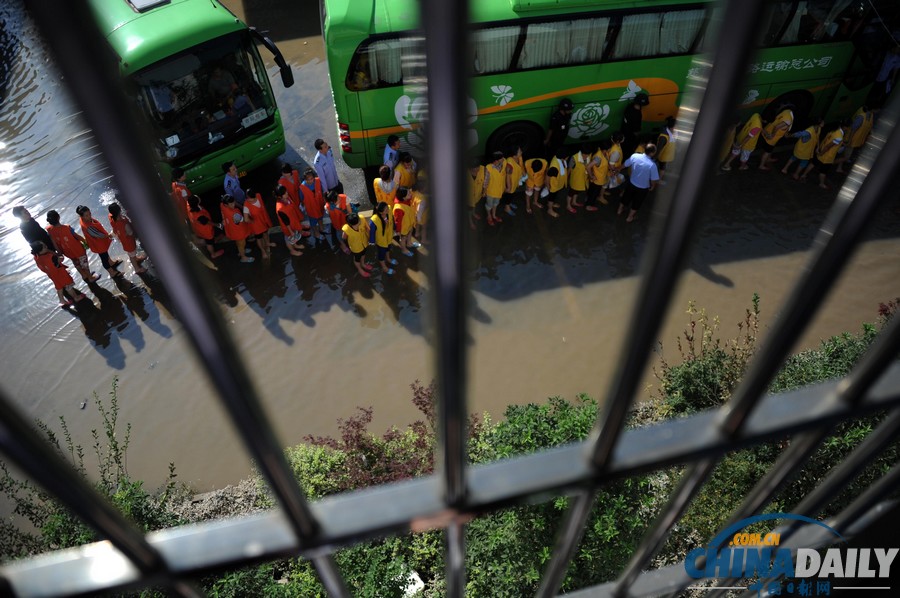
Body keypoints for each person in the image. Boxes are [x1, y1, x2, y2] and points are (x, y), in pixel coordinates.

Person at [45, 210, 99, 281]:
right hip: (78, 250)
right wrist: (85, 241)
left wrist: (59, 252)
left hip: (67, 252)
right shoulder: (67, 228)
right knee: (84, 263)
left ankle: (83, 275)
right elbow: (76, 236)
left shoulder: (49, 230)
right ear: (58, 217)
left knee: (76, 263)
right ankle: (90, 277)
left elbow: (54, 242)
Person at [31, 241, 87, 307]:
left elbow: (43, 268)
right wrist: (58, 254)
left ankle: (62, 301)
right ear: (41, 250)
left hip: (52, 275)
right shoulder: (50, 257)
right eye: (44, 247)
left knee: (59, 288)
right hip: (61, 274)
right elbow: (61, 259)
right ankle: (76, 297)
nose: (46, 247)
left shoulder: (36, 258)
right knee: (68, 286)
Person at [802, 119, 850, 189]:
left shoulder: (834, 129)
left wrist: (819, 150)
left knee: (813, 163)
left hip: (822, 149)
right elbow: (828, 146)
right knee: (823, 171)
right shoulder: (839, 136)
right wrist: (821, 153)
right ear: (845, 127)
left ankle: (803, 175)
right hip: (827, 156)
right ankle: (821, 184)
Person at [76, 205, 123, 278]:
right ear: (81, 216)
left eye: (89, 214)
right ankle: (111, 272)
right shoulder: (88, 227)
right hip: (97, 244)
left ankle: (111, 262)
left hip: (99, 243)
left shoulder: (84, 220)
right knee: (104, 258)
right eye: (86, 215)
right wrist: (108, 235)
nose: (89, 216)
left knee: (105, 253)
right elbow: (98, 234)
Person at [618, 144, 659, 223]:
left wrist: (617, 169)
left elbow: (624, 165)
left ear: (644, 149)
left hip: (632, 183)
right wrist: (653, 186)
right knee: (637, 202)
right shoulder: (652, 165)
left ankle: (619, 210)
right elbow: (653, 180)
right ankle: (629, 217)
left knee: (626, 197)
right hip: (643, 188)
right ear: (652, 153)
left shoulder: (635, 156)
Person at [107, 201, 147, 274]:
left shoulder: (112, 218)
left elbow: (115, 229)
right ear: (119, 211)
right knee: (131, 255)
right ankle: (137, 268)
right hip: (129, 242)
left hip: (123, 241)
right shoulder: (124, 223)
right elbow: (130, 232)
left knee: (132, 254)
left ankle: (136, 258)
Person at [836, 105, 875, 173]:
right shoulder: (862, 116)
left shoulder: (869, 115)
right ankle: (829, 163)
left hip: (855, 140)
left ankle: (838, 167)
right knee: (846, 157)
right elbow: (853, 129)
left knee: (844, 155)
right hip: (852, 140)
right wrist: (850, 140)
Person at [758, 106, 794, 171]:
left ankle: (768, 158)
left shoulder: (787, 111)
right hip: (771, 138)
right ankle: (761, 165)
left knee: (769, 149)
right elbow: (777, 127)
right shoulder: (788, 121)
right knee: (767, 151)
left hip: (768, 129)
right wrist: (772, 135)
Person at [220, 194, 254, 263]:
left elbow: (222, 211)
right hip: (239, 232)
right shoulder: (235, 215)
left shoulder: (222, 205)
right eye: (231, 204)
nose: (233, 205)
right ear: (226, 205)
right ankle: (243, 257)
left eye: (233, 202)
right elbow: (245, 220)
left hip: (231, 229)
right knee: (241, 243)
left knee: (239, 243)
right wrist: (253, 220)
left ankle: (241, 252)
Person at [274, 185, 306, 257]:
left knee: (293, 236)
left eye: (286, 192)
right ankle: (292, 250)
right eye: (284, 193)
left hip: (293, 222)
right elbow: (285, 221)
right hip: (288, 226)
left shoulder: (287, 198)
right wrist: (290, 231)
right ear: (279, 196)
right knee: (288, 238)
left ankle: (295, 245)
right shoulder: (280, 208)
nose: (287, 193)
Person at [243, 189, 275, 260]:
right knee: (259, 238)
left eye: (250, 198)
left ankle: (267, 243)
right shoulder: (246, 204)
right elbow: (246, 219)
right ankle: (263, 251)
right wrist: (252, 221)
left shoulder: (258, 196)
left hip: (263, 221)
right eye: (247, 198)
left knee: (266, 233)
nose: (248, 200)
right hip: (256, 226)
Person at [299, 167, 327, 246]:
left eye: (312, 178)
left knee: (320, 217)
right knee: (313, 222)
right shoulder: (302, 188)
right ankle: (316, 233)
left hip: (319, 205)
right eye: (308, 179)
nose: (311, 181)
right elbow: (301, 199)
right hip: (311, 208)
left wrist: (324, 200)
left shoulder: (317, 181)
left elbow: (321, 191)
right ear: (305, 179)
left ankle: (321, 228)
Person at [369, 201, 397, 275]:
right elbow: (371, 232)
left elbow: (392, 218)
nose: (388, 209)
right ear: (381, 212)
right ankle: (384, 267)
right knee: (381, 254)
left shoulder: (389, 209)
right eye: (385, 209)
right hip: (381, 240)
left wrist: (394, 227)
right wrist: (372, 241)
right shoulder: (374, 220)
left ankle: (388, 258)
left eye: (387, 207)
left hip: (388, 237)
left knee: (388, 248)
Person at [342, 214, 372, 278]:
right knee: (357, 259)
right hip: (356, 248)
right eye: (358, 222)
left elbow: (367, 228)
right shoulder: (346, 229)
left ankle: (363, 264)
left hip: (364, 243)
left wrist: (369, 238)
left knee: (363, 253)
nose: (360, 222)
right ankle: (360, 269)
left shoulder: (361, 218)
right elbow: (344, 238)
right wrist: (348, 246)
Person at [543, 148, 569, 218]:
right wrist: (548, 186)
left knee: (554, 196)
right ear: (563, 158)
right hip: (553, 186)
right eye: (567, 157)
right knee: (552, 197)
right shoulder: (554, 167)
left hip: (557, 184)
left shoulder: (558, 158)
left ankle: (551, 204)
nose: (567, 158)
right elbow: (547, 177)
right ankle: (550, 209)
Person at [620, 92, 649, 157]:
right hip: (630, 136)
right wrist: (638, 138)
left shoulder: (629, 107)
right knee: (628, 150)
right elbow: (636, 131)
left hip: (624, 132)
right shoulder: (636, 115)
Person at [585, 139, 611, 211]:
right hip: (597, 180)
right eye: (609, 148)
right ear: (605, 149)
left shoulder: (602, 152)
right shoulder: (598, 158)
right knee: (594, 193)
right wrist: (591, 176)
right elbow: (588, 167)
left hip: (598, 179)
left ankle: (587, 199)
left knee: (592, 191)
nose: (610, 149)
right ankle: (589, 206)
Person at [393, 186, 418, 257]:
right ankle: (404, 250)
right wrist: (398, 231)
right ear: (403, 197)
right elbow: (398, 221)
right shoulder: (399, 208)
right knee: (403, 238)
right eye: (408, 194)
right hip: (403, 227)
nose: (410, 194)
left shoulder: (405, 200)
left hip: (409, 223)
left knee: (410, 231)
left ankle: (409, 243)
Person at [483, 151, 506, 226]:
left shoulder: (503, 163)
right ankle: (489, 216)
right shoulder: (489, 168)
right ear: (496, 160)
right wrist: (484, 191)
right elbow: (486, 181)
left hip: (499, 191)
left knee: (496, 203)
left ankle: (494, 215)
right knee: (489, 205)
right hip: (491, 192)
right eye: (501, 158)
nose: (503, 159)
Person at [567, 144, 591, 213]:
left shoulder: (588, 156)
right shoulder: (574, 158)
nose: (586, 156)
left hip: (583, 179)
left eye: (587, 154)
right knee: (571, 192)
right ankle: (568, 205)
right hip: (575, 180)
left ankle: (574, 202)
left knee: (578, 191)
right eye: (585, 154)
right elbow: (569, 170)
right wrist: (566, 180)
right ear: (581, 152)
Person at [502, 146, 524, 217]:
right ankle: (507, 207)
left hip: (515, 181)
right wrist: (509, 186)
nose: (521, 152)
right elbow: (508, 176)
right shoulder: (509, 163)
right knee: (509, 194)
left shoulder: (519, 158)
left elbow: (521, 166)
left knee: (512, 194)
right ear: (514, 155)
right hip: (510, 183)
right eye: (520, 151)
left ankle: (509, 203)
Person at [468, 158, 486, 229]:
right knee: (469, 209)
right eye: (475, 168)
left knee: (474, 205)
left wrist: (484, 191)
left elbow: (486, 180)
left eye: (478, 167)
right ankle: (470, 222)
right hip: (468, 198)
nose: (477, 169)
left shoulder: (483, 169)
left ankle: (474, 213)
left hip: (477, 196)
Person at [411, 181, 429, 246]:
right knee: (424, 228)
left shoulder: (415, 193)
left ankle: (417, 233)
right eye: (425, 188)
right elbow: (420, 210)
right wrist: (419, 218)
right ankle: (423, 240)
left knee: (418, 225)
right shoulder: (423, 199)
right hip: (422, 216)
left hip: (415, 213)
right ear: (422, 189)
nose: (426, 188)